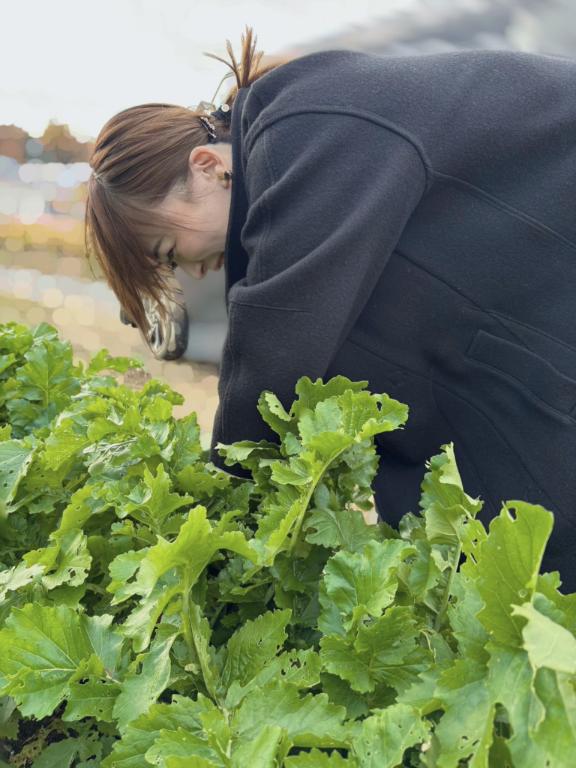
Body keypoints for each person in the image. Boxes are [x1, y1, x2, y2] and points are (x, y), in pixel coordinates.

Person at [84, 26, 576, 592]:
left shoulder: (301, 126)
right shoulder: (298, 173)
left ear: (205, 166)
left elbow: (280, 343)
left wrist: (218, 504)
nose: (190, 270)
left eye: (170, 251)